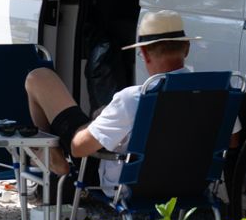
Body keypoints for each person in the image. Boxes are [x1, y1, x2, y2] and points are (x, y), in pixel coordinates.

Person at [23, 10, 211, 201]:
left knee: (38, 78)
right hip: (190, 185)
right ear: (186, 48)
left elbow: (78, 148)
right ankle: (57, 147)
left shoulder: (134, 99)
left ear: (144, 54)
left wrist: (97, 123)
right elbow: (232, 140)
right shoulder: (215, 92)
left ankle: (51, 153)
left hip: (127, 183)